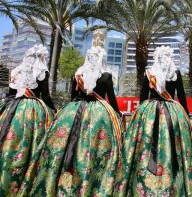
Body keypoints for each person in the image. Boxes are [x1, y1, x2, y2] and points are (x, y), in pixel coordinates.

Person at [18, 46, 123, 197]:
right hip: (100, 114)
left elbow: (73, 96)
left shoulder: (78, 73)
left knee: (63, 143)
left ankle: (61, 175)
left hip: (74, 110)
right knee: (96, 146)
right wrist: (117, 115)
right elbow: (112, 99)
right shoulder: (106, 76)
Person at [115, 46, 192, 197]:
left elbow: (143, 98)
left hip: (151, 112)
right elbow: (181, 98)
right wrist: (186, 119)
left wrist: (141, 115)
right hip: (173, 112)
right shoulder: (167, 73)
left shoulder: (156, 73)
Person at [0, 45, 55, 196]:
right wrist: (55, 111)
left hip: (12, 108)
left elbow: (11, 93)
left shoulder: (16, 70)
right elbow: (46, 96)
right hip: (33, 110)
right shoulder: (42, 72)